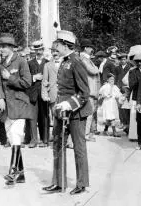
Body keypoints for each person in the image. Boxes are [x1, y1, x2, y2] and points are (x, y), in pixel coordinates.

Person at [43, 30, 92, 195]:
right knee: (57, 145)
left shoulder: (76, 62)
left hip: (77, 112)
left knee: (79, 148)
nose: (56, 48)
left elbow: (84, 93)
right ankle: (58, 182)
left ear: (65, 45)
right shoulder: (64, 61)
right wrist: (60, 106)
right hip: (61, 111)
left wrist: (69, 104)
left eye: (58, 45)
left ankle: (81, 183)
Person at [0, 33, 32, 185]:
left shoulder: (21, 61)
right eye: (0, 47)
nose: (1, 49)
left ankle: (12, 171)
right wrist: (0, 98)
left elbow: (27, 82)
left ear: (11, 48)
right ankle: (21, 174)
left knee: (16, 135)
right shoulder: (0, 64)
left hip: (19, 105)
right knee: (12, 137)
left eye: (3, 47)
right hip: (6, 106)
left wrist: (9, 77)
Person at [27, 40, 49, 148]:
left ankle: (44, 139)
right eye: (36, 50)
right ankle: (33, 140)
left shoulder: (48, 62)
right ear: (34, 51)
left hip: (44, 94)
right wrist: (34, 77)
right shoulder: (30, 63)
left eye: (40, 49)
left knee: (44, 117)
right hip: (33, 94)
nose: (38, 52)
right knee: (32, 117)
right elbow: (26, 78)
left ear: (43, 50)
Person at [80, 39, 101, 141]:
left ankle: (87, 133)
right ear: (85, 48)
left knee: (90, 113)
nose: (92, 49)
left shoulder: (87, 59)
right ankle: (85, 134)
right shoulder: (83, 59)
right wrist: (97, 68)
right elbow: (92, 71)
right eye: (90, 47)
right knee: (88, 113)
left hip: (91, 91)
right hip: (89, 91)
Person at [41, 42, 61, 135]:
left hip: (65, 94)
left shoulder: (66, 63)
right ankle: (56, 136)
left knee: (66, 116)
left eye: (57, 51)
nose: (55, 53)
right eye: (53, 51)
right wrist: (44, 94)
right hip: (53, 94)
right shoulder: (47, 65)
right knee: (55, 115)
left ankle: (67, 139)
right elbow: (45, 81)